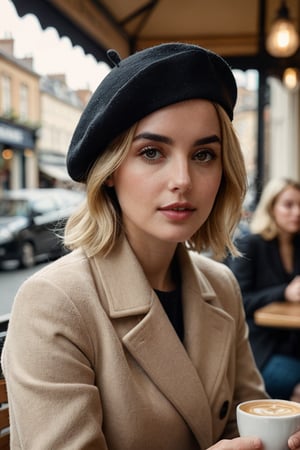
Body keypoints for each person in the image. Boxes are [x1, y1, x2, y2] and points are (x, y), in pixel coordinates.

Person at [2, 43, 300, 450]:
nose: (183, 179)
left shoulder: (222, 286)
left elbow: (245, 418)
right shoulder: (54, 302)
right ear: (110, 170)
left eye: (203, 154)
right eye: (151, 152)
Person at [229, 178, 300, 403]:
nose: (297, 212)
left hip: (293, 342)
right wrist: (284, 292)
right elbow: (237, 300)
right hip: (263, 347)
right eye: (288, 205)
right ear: (271, 208)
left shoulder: (298, 244)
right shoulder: (250, 244)